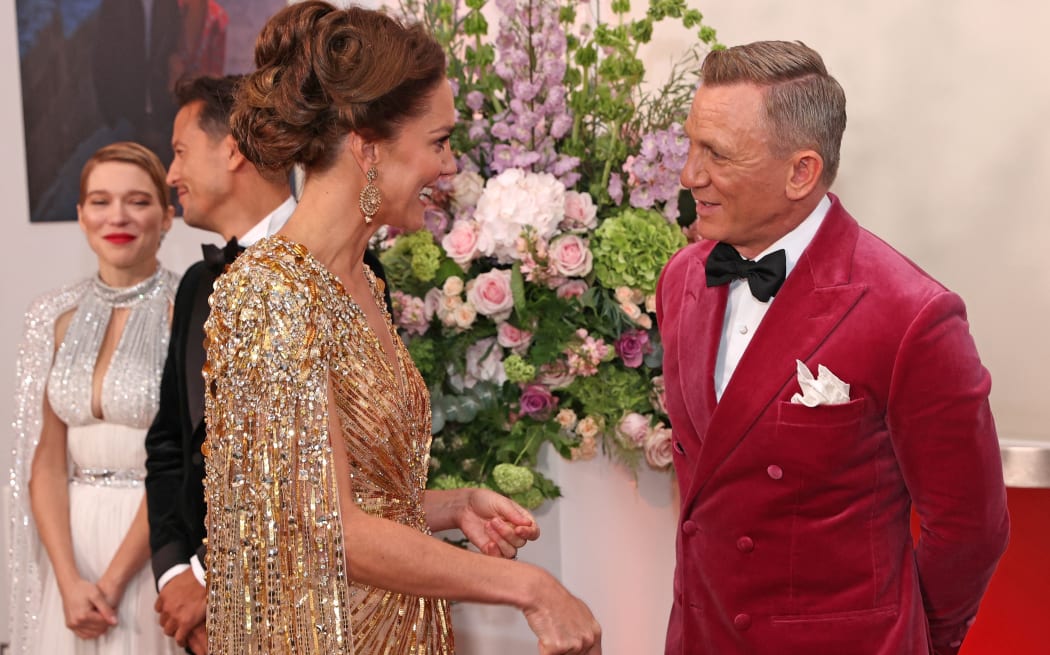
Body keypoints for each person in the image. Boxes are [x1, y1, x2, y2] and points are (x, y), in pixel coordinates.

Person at [202, 3, 602, 654]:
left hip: (406, 630)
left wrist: (449, 504)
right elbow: (332, 531)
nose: (449, 168)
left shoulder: (365, 278)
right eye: (439, 142)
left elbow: (348, 486)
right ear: (368, 147)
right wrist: (529, 586)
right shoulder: (270, 293)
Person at [655, 40, 1009, 655]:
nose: (690, 175)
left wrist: (913, 639)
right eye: (690, 145)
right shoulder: (682, 278)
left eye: (716, 154)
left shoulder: (912, 315)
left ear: (801, 172)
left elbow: (970, 529)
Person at [143, 74, 297, 655]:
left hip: (302, 609)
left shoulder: (338, 274)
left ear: (232, 148)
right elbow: (168, 446)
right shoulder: (194, 285)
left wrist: (210, 580)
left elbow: (305, 468)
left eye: (180, 152)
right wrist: (174, 573)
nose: (170, 175)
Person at [8, 142, 181, 655]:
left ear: (167, 217)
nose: (118, 216)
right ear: (81, 215)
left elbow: (185, 464)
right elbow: (46, 460)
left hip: (155, 545)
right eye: (101, 201)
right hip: (72, 550)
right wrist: (67, 580)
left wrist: (110, 583)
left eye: (139, 201)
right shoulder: (52, 317)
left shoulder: (187, 313)